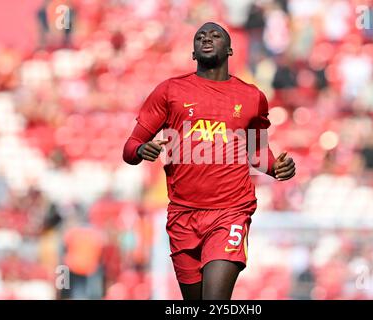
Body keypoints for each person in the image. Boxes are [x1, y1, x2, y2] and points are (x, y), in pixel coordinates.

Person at [123, 22, 296, 300]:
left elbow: (257, 152)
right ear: (193, 53)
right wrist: (142, 150)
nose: (207, 38)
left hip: (230, 211)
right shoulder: (170, 91)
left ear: (229, 49)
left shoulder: (251, 97)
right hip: (182, 215)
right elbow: (129, 148)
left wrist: (276, 168)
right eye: (200, 36)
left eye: (215, 35)